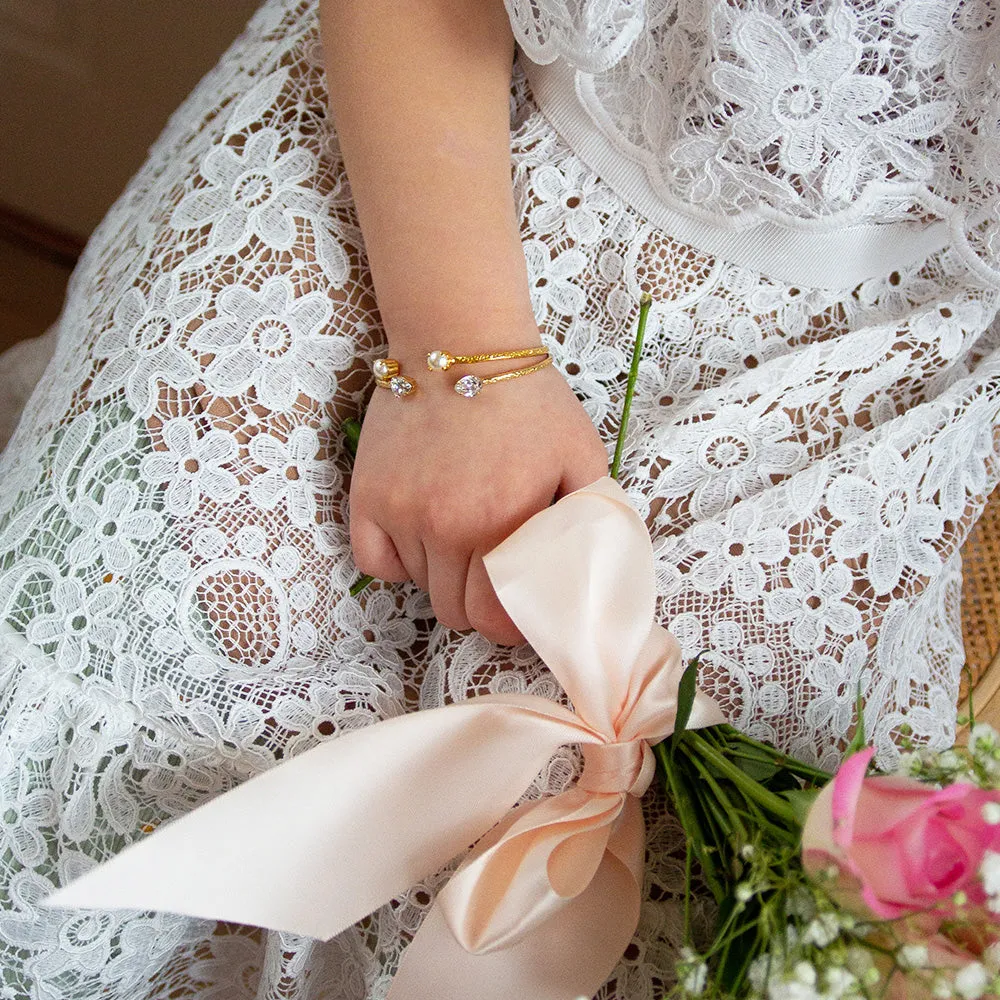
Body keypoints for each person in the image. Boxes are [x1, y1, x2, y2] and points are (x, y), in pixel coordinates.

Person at [1, 0, 999, 996]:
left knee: (676, 872)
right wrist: (458, 361)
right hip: (440, 115)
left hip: (879, 367)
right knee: (177, 627)